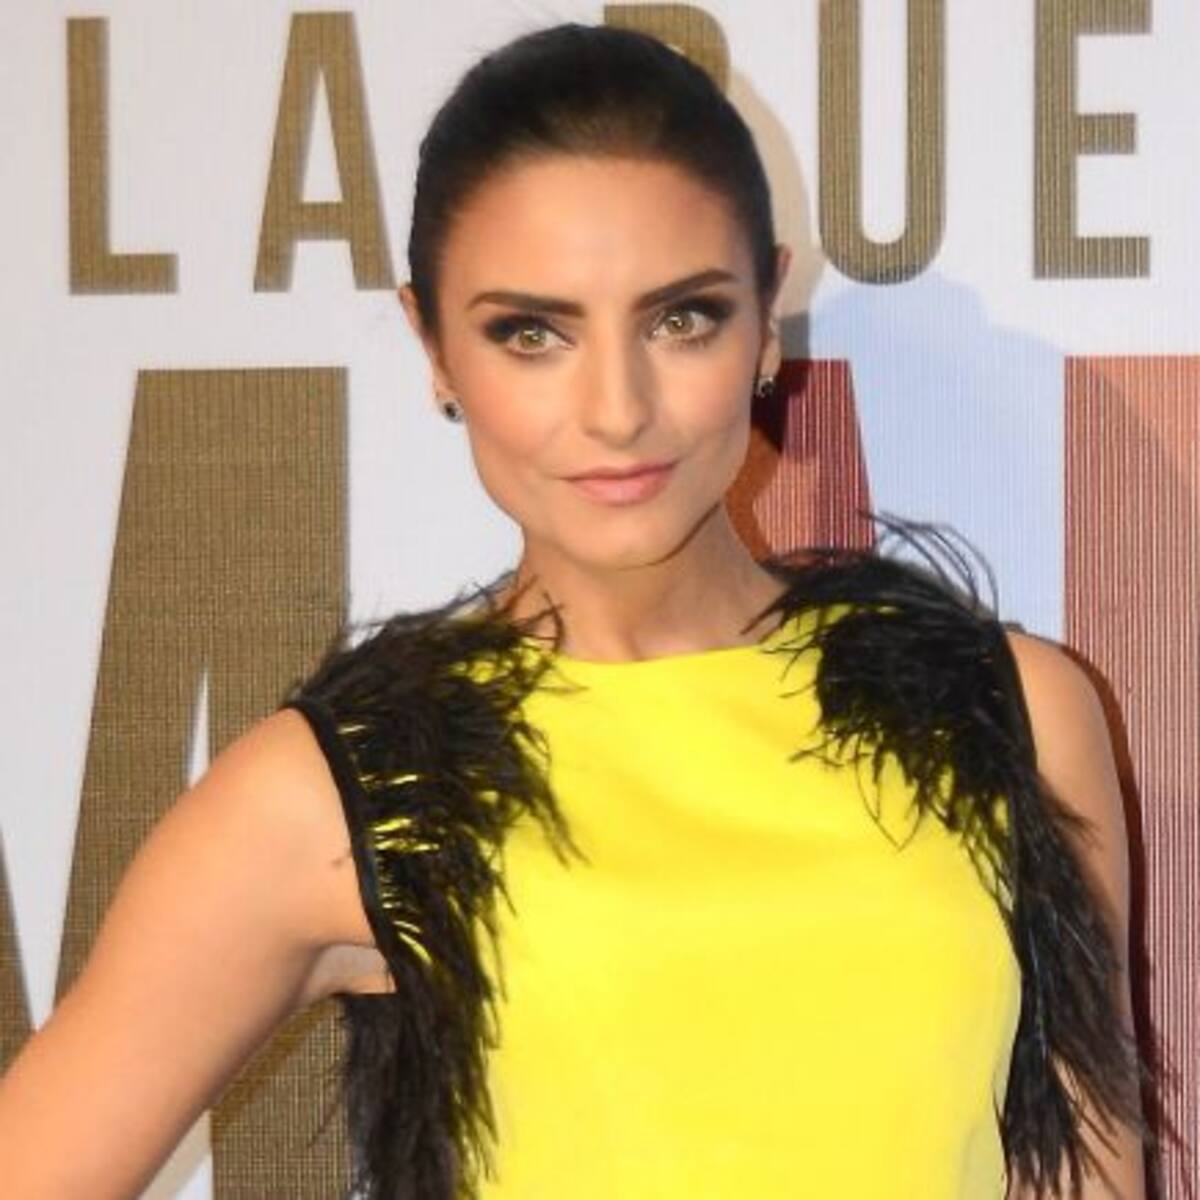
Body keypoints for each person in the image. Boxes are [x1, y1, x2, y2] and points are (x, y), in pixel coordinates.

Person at [0, 22, 1152, 1200]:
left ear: (767, 317)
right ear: (434, 346)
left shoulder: (1005, 712)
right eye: (532, 333)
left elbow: (1088, 1171)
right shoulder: (344, 790)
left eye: (682, 318)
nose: (617, 409)